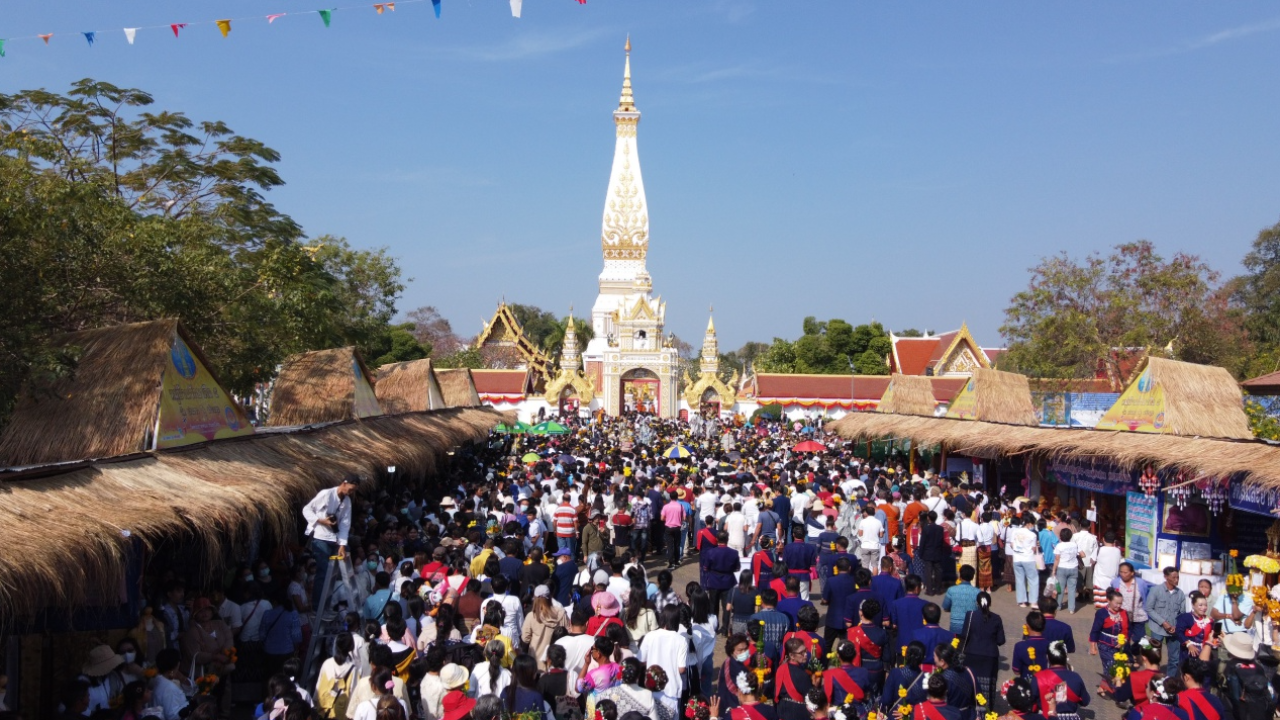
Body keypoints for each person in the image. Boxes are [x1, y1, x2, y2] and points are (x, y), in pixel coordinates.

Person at [303, 473, 360, 603]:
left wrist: (342, 545)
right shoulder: (326, 494)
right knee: (323, 571)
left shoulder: (347, 502)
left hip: (335, 538)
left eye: (353, 491)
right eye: (350, 489)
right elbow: (306, 510)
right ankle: (318, 605)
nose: (351, 492)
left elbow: (345, 524)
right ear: (344, 483)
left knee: (343, 565)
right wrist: (321, 521)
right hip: (320, 537)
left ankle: (337, 601)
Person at [957, 591, 1004, 703]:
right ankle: (987, 711)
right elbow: (1001, 641)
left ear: (976, 603)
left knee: (971, 681)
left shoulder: (970, 615)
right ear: (990, 603)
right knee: (988, 686)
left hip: (971, 654)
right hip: (990, 657)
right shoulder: (997, 618)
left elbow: (964, 635)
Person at [1030, 640, 1089, 720]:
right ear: (1065, 657)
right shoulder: (1076, 677)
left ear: (1048, 657)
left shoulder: (1038, 677)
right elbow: (1085, 701)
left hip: (1045, 717)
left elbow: (1030, 701)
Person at [638, 605, 688, 700]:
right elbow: (681, 669)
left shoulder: (649, 636)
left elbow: (640, 660)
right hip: (671, 689)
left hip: (652, 686)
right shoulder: (681, 640)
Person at [1145, 568, 1187, 677]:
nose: (1176, 580)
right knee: (1154, 655)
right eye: (1174, 577)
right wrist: (1163, 622)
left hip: (1174, 631)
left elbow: (1182, 613)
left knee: (1174, 658)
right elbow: (1149, 608)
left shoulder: (1180, 594)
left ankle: (1169, 680)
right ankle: (1152, 677)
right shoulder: (1156, 590)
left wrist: (1176, 627)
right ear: (1166, 577)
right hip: (1157, 629)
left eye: (1178, 577)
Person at [1089, 588, 1130, 695]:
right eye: (1116, 603)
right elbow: (1095, 630)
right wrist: (1093, 646)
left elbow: (1127, 630)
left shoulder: (1124, 613)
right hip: (1104, 644)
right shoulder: (1101, 613)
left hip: (1119, 645)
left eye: (1120, 603)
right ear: (1109, 601)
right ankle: (1115, 690)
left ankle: (1103, 687)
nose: (1118, 606)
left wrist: (1124, 640)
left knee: (1117, 666)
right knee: (1112, 665)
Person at [846, 600, 887, 698]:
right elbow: (887, 656)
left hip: (858, 670)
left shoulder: (851, 632)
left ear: (861, 612)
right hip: (877, 670)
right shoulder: (882, 633)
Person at [1112, 638, 1164, 712]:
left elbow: (1120, 697)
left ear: (1144, 657)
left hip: (1141, 714)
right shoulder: (1165, 678)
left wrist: (1118, 681)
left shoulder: (1135, 677)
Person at [317, 632, 359, 719]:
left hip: (325, 709)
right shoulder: (353, 668)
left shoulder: (327, 663)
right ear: (351, 646)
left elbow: (319, 687)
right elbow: (353, 692)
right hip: (341, 712)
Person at [773, 638, 815, 720]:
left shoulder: (780, 669)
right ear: (791, 655)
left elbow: (775, 694)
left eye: (805, 650)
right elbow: (810, 698)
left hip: (781, 709)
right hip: (798, 711)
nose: (805, 654)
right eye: (801, 653)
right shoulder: (802, 675)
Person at [1111, 562, 1153, 642]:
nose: (1123, 574)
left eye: (1125, 572)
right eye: (1121, 572)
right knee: (1123, 639)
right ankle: (1126, 653)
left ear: (1132, 573)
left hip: (1139, 616)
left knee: (1140, 639)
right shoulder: (1116, 582)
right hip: (1122, 616)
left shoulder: (1140, 583)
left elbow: (1146, 596)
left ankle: (1135, 650)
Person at [889, 575, 929, 659]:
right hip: (919, 646)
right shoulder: (925, 604)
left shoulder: (896, 604)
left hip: (902, 644)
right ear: (917, 588)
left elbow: (894, 624)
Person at [881, 640, 926, 713]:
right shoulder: (925, 678)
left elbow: (886, 700)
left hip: (896, 713)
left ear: (906, 655)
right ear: (922, 658)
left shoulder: (895, 673)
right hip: (915, 715)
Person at [823, 639, 870, 707]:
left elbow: (827, 700)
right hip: (859, 713)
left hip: (839, 714)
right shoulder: (864, 672)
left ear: (838, 656)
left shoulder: (830, 674)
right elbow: (866, 695)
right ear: (854, 655)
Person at [1009, 516, 1040, 608]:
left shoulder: (1015, 532)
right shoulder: (1032, 535)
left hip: (1017, 558)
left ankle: (1021, 601)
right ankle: (1033, 601)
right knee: (1033, 580)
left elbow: (1011, 544)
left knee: (1019, 580)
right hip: (1028, 558)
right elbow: (1033, 549)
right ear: (1029, 524)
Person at [1050, 527, 1082, 614]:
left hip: (1062, 568)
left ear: (1060, 537)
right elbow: (1082, 554)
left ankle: (1058, 606)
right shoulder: (1074, 544)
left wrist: (1054, 570)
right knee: (1072, 589)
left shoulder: (1059, 546)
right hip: (1073, 568)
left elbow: (1057, 559)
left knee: (1060, 588)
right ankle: (1071, 608)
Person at [918, 512, 949, 596]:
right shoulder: (940, 528)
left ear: (928, 518)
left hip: (928, 552)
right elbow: (941, 541)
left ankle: (930, 589)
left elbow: (922, 542)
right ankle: (938, 589)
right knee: (938, 570)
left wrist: (920, 553)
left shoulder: (926, 529)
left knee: (928, 571)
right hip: (937, 552)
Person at [943, 565, 979, 634]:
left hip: (955, 626)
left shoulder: (951, 590)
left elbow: (945, 607)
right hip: (971, 626)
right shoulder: (977, 592)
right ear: (972, 577)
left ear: (960, 576)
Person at [1092, 532, 1123, 608]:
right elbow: (1122, 563)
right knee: (1111, 605)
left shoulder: (1099, 550)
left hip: (1099, 581)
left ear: (1103, 539)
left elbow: (1092, 561)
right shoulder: (1118, 551)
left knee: (1100, 606)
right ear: (1114, 541)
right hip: (1112, 582)